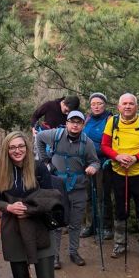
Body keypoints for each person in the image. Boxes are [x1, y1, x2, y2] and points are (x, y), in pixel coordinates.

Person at [0, 132, 76, 278]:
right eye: (12, 147)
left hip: (39, 229)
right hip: (13, 230)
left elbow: (51, 198)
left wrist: (29, 209)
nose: (17, 150)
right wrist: (9, 207)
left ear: (27, 148)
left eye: (21, 146)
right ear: (6, 150)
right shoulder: (2, 171)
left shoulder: (38, 168)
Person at [36, 111, 100, 268]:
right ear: (67, 122)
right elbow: (39, 137)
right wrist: (46, 161)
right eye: (72, 121)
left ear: (83, 125)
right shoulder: (55, 135)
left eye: (79, 122)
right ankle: (55, 256)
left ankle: (73, 252)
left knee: (75, 223)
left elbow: (95, 161)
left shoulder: (88, 143)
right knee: (57, 223)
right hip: (57, 187)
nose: (75, 125)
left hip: (78, 187)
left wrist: (92, 167)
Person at [101, 93, 139, 260]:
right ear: (118, 107)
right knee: (120, 209)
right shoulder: (113, 122)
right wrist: (117, 157)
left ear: (136, 107)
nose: (127, 106)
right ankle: (119, 244)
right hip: (119, 173)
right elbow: (104, 145)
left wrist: (135, 158)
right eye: (124, 104)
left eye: (131, 104)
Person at [81, 92, 115, 240]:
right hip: (86, 163)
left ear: (105, 105)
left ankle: (106, 227)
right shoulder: (87, 119)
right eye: (93, 104)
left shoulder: (110, 120)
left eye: (99, 103)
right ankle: (90, 225)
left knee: (103, 196)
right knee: (88, 195)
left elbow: (113, 142)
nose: (96, 106)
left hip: (104, 163)